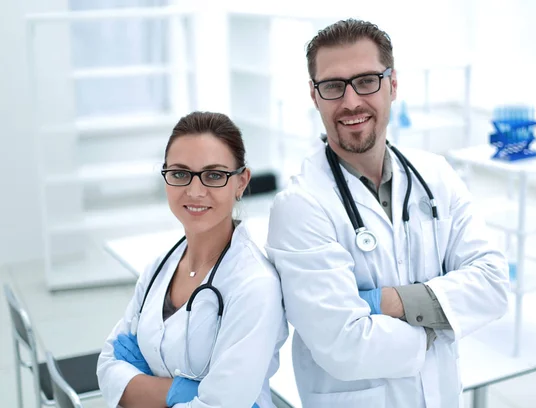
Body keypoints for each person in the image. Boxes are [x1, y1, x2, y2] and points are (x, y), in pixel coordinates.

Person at [266, 19, 509, 408]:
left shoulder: (436, 176)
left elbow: (494, 284)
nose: (350, 102)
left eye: (366, 81)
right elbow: (344, 346)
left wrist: (384, 302)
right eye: (333, 86)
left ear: (393, 85)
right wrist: (442, 322)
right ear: (314, 96)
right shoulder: (299, 208)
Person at [97, 111, 288, 408]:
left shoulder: (255, 285)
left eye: (214, 175)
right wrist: (184, 392)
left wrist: (142, 382)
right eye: (180, 173)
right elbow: (108, 366)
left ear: (241, 182)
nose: (195, 190)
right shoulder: (159, 267)